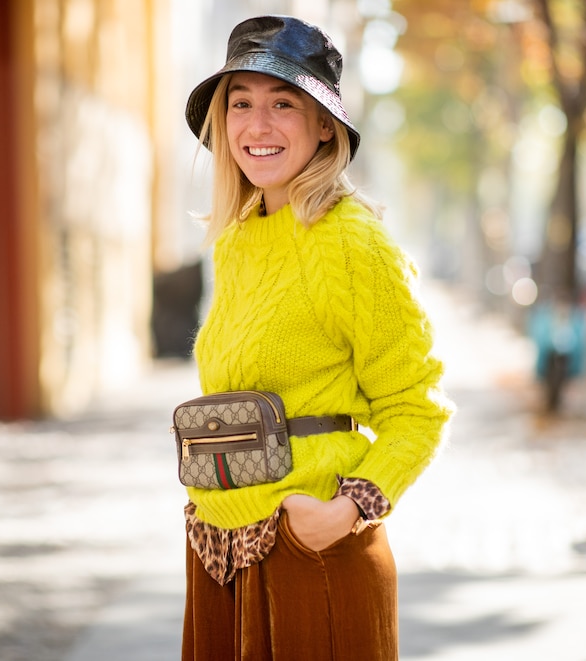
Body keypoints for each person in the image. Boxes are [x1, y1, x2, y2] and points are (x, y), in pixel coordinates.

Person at [181, 14, 454, 660]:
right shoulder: (236, 240)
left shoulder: (353, 241)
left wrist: (346, 510)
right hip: (221, 559)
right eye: (240, 102)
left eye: (283, 103)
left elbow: (418, 409)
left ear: (324, 125)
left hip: (312, 559)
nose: (258, 124)